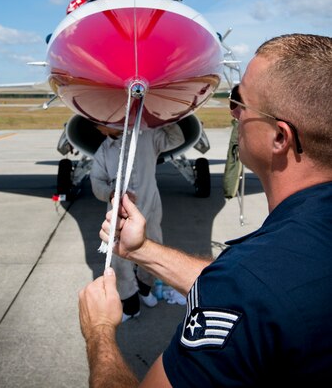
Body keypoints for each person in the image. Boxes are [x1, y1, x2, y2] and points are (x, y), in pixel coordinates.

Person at [79, 33, 332, 386]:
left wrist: (100, 332)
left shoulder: (252, 279)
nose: (234, 112)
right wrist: (143, 251)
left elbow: (249, 291)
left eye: (239, 102)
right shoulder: (278, 266)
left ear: (280, 138)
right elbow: (256, 291)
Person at [90, 122, 185, 321]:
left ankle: (144, 289)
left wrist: (164, 116)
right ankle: (131, 305)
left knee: (152, 249)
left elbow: (177, 139)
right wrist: (111, 193)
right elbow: (96, 182)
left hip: (150, 206)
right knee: (120, 257)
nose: (101, 128)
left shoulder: (148, 136)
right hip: (120, 212)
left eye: (101, 123)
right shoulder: (104, 151)